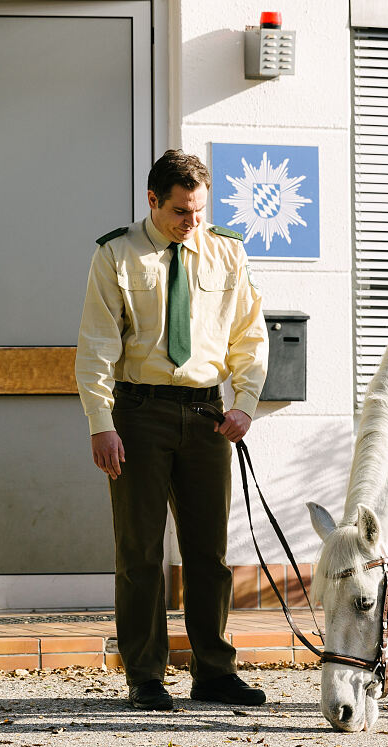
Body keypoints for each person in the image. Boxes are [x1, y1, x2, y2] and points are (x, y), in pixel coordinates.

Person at [75, 149, 269, 710]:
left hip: (209, 418)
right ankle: (146, 676)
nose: (193, 222)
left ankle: (213, 671)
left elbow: (248, 337)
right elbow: (96, 349)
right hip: (139, 415)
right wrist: (100, 424)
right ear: (154, 201)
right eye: (182, 211)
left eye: (201, 210)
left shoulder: (227, 252)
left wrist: (245, 404)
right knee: (139, 551)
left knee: (207, 553)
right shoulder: (116, 254)